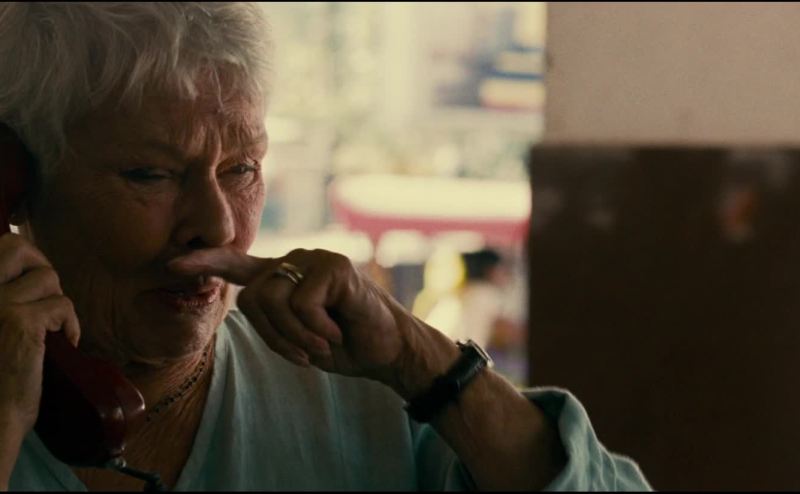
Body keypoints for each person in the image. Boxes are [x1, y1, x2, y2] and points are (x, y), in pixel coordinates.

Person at [0, 3, 650, 491]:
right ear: (19, 184)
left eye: (241, 169)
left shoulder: (366, 391)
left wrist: (419, 359)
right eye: (151, 174)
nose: (218, 227)